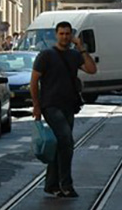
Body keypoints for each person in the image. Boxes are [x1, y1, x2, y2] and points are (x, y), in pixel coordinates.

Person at [31, 21, 98, 198]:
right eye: (61, 34)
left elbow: (92, 69)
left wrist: (81, 47)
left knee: (60, 144)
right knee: (66, 141)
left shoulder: (75, 55)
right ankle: (66, 184)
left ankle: (51, 184)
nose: (65, 37)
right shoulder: (46, 55)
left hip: (69, 106)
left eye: (68, 34)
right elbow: (34, 81)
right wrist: (36, 106)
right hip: (50, 106)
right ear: (56, 35)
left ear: (72, 36)